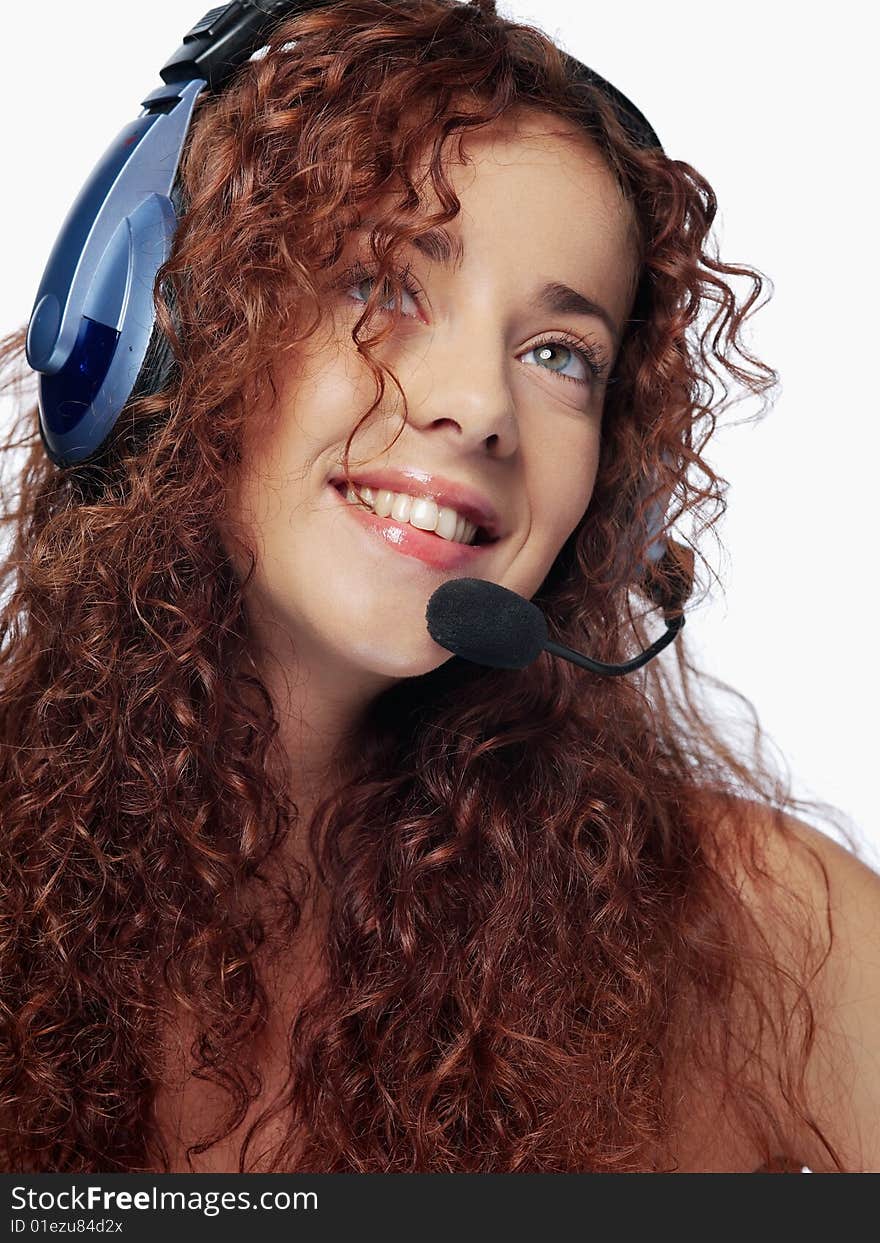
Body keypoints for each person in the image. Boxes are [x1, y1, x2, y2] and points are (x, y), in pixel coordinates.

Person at [0, 0, 877, 1175]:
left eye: (559, 355)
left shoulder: (766, 931)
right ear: (163, 337)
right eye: (383, 284)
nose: (478, 405)